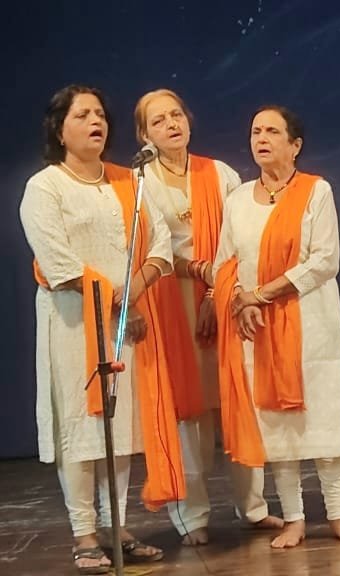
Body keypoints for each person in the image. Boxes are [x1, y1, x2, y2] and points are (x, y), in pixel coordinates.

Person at [20, 85, 174, 574]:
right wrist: (116, 302)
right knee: (81, 429)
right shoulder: (45, 187)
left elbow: (161, 245)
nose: (96, 122)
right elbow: (58, 263)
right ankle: (84, 533)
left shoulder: (127, 182)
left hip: (122, 323)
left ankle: (117, 527)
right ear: (59, 129)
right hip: (72, 325)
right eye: (83, 114)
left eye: (101, 114)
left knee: (117, 427)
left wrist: (132, 295)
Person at [210, 105, 340, 547]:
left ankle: (338, 514)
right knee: (278, 430)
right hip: (257, 330)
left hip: (312, 324)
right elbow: (225, 264)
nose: (261, 139)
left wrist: (261, 293)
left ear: (295, 145)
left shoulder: (316, 191)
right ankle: (294, 518)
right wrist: (240, 303)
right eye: (255, 131)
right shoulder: (238, 200)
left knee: (322, 422)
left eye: (272, 132)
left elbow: (325, 260)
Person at [134, 89, 282, 545]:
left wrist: (215, 291)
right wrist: (199, 272)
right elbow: (151, 248)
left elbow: (238, 236)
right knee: (190, 411)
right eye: (158, 121)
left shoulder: (219, 174)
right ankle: (191, 515)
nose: (171, 125)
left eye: (176, 115)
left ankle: (253, 507)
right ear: (144, 135)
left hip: (224, 296)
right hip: (170, 301)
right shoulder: (140, 183)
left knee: (238, 398)